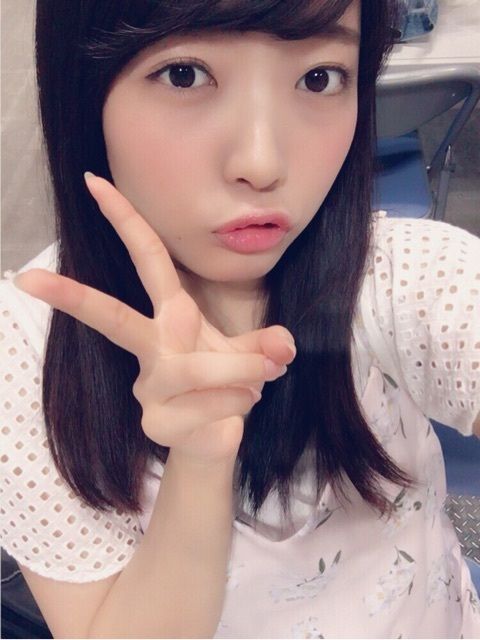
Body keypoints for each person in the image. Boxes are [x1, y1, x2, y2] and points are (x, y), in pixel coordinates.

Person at [1, 0, 479, 637]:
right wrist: (199, 461)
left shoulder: (402, 275)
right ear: (82, 91)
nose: (262, 163)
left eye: (319, 78)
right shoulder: (25, 352)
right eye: (185, 75)